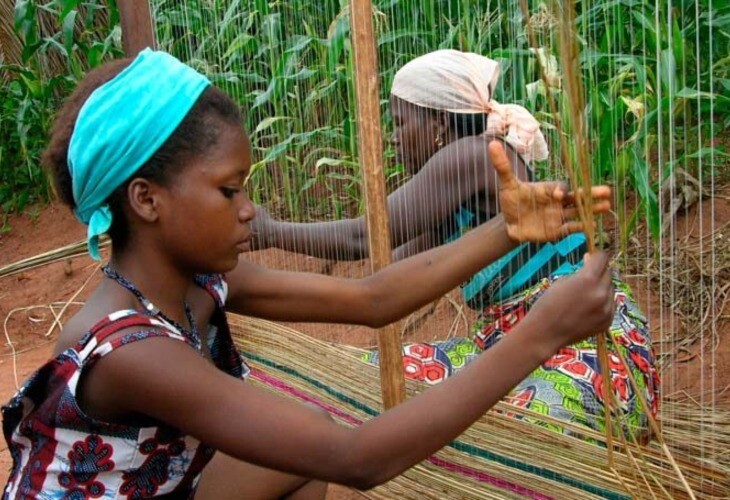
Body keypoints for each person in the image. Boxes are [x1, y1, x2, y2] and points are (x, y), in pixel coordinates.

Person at [2, 49, 615, 499]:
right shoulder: (129, 352)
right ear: (146, 200)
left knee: (294, 461)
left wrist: (505, 229)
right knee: (317, 451)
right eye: (228, 190)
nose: (248, 209)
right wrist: (538, 336)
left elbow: (373, 298)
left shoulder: (201, 284)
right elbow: (358, 458)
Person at [252, 49, 660, 440]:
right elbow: (384, 269)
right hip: (506, 349)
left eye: (400, 122)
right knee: (356, 375)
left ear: (438, 127)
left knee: (507, 432)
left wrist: (271, 231)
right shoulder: (456, 195)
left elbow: (364, 237)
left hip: (590, 352)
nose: (393, 139)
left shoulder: (473, 156)